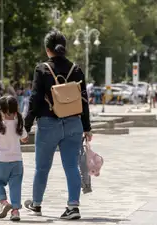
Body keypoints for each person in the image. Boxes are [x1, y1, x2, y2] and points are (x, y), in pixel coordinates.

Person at [23, 29, 92, 220]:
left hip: (48, 124)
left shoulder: (42, 69)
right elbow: (84, 100)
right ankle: (73, 207)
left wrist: (26, 126)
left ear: (47, 49)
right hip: (74, 124)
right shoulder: (76, 70)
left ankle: (36, 204)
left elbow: (35, 100)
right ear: (64, 48)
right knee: (71, 166)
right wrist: (87, 127)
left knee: (42, 167)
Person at [0, 96, 28, 221]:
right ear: (16, 110)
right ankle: (15, 212)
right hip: (17, 161)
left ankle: (4, 202)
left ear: (1, 110)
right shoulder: (19, 125)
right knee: (15, 186)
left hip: (2, 161)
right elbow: (25, 139)